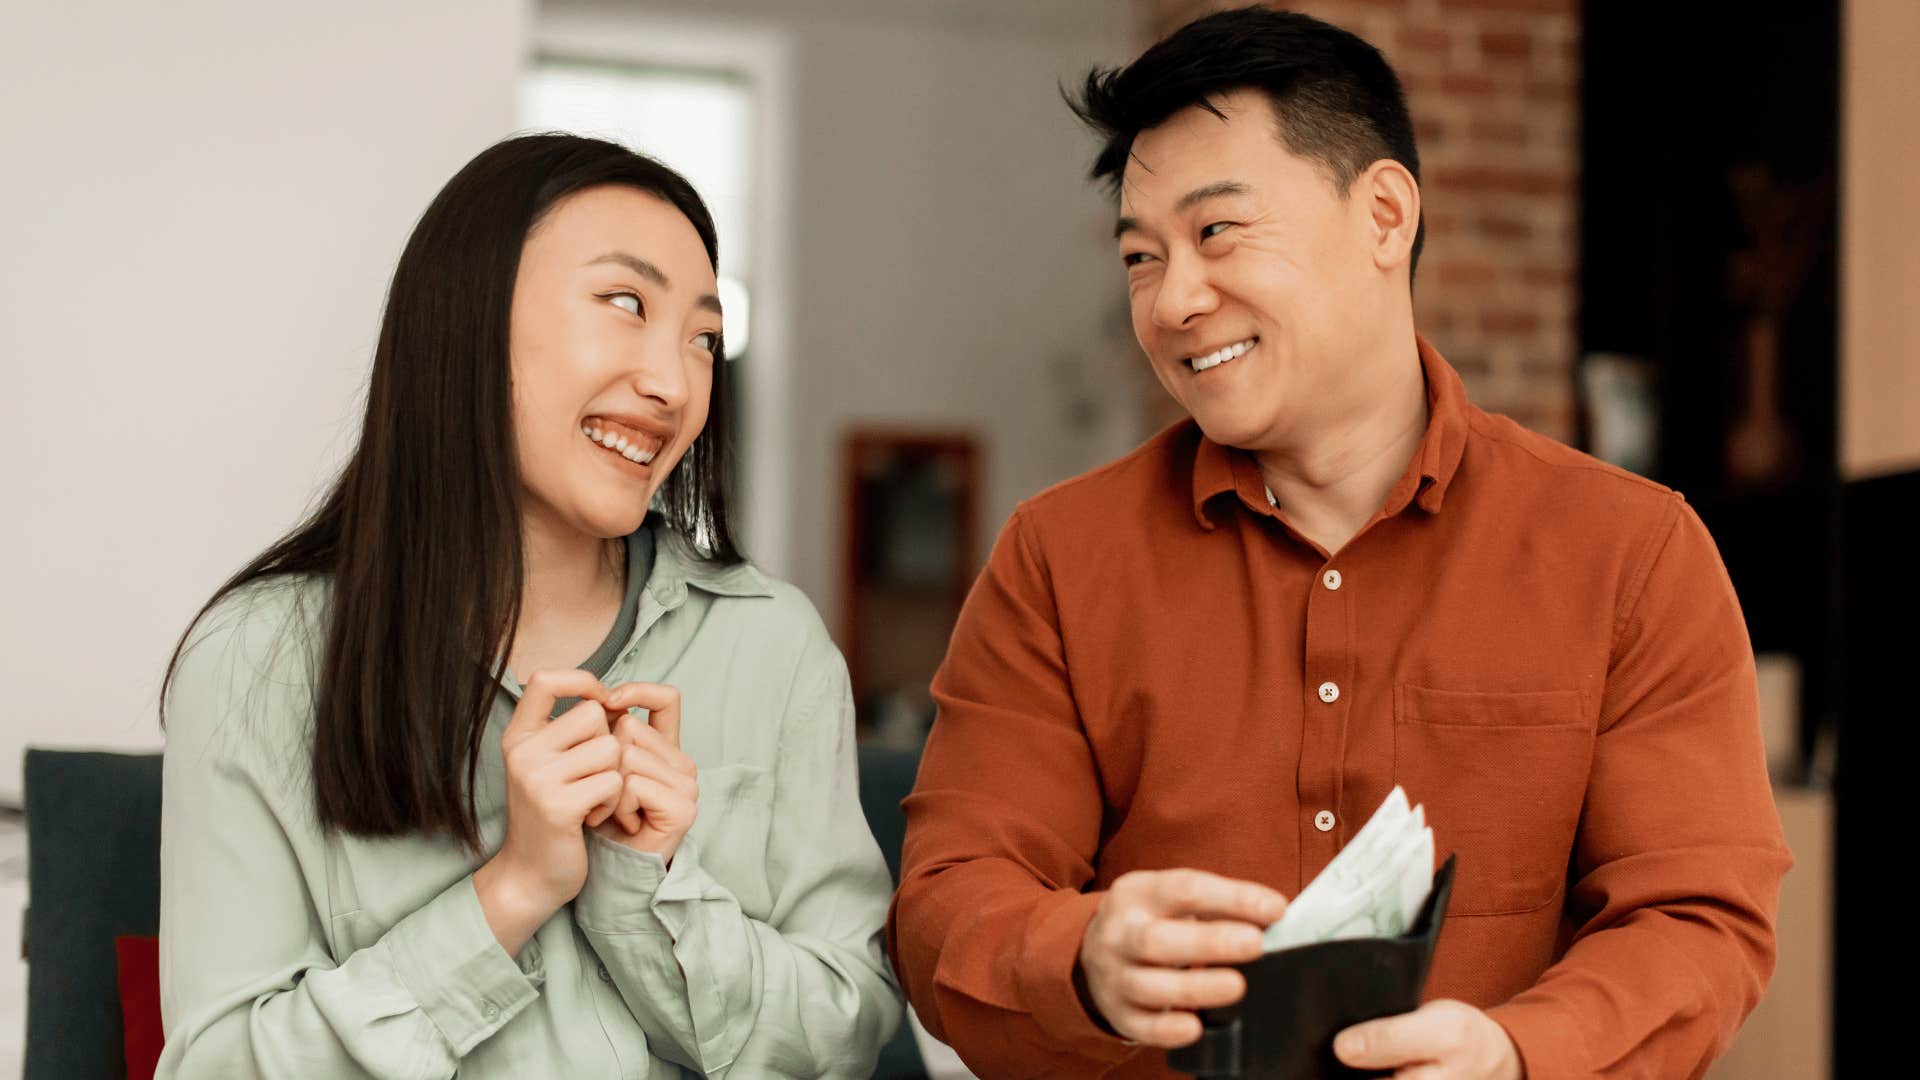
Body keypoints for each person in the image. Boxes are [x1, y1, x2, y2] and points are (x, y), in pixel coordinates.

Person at [887, 8, 1791, 1078]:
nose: (1174, 299)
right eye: (1141, 255)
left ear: (1384, 216)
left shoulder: (1632, 554)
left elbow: (1697, 917)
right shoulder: (1056, 558)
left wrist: (1517, 1053)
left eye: (1218, 232)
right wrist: (1084, 957)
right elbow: (946, 904)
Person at [157, 133, 901, 1078]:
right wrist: (511, 892)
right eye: (626, 303)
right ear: (467, 319)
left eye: (705, 339)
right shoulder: (256, 661)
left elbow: (847, 1037)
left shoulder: (774, 646)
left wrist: (645, 891)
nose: (675, 383)